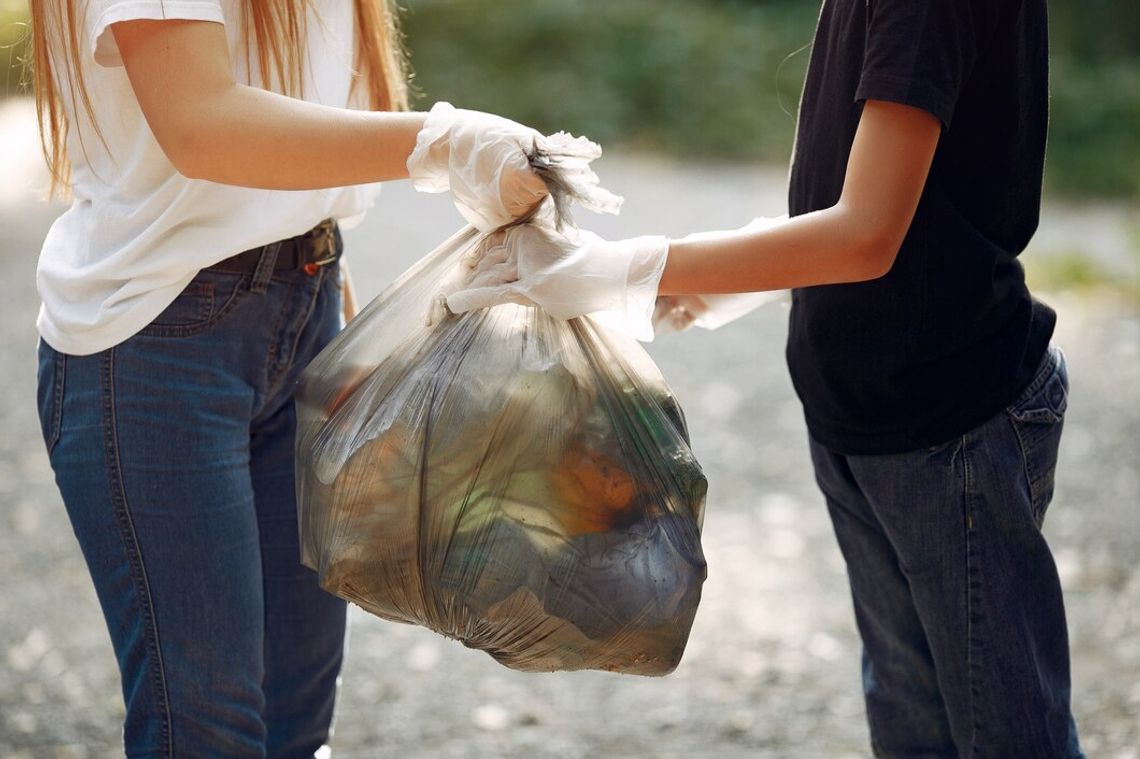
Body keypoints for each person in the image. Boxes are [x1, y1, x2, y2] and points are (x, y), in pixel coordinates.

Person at [447, 0, 1085, 756]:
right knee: (912, 726)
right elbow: (868, 186)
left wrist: (622, 270)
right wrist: (737, 272)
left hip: (951, 424)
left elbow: (868, 233)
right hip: (861, 416)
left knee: (1006, 733)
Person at [30, 0, 552, 755]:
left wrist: (335, 300)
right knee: (208, 728)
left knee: (295, 720)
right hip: (155, 342)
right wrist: (445, 141)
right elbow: (199, 121)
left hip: (304, 301)